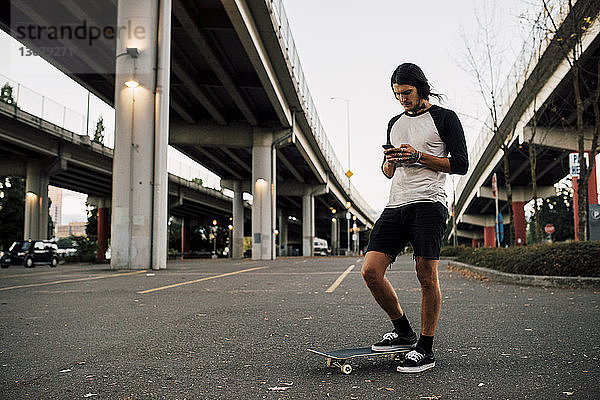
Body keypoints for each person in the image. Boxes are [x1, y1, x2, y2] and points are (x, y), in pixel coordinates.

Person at [361, 63, 468, 373]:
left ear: (421, 87)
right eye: (396, 95)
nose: (402, 100)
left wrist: (420, 156)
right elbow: (386, 172)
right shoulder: (394, 123)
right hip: (396, 203)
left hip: (429, 203)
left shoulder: (445, 118)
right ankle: (404, 332)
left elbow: (460, 164)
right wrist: (391, 162)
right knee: (370, 271)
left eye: (406, 93)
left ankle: (425, 347)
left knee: (425, 275)